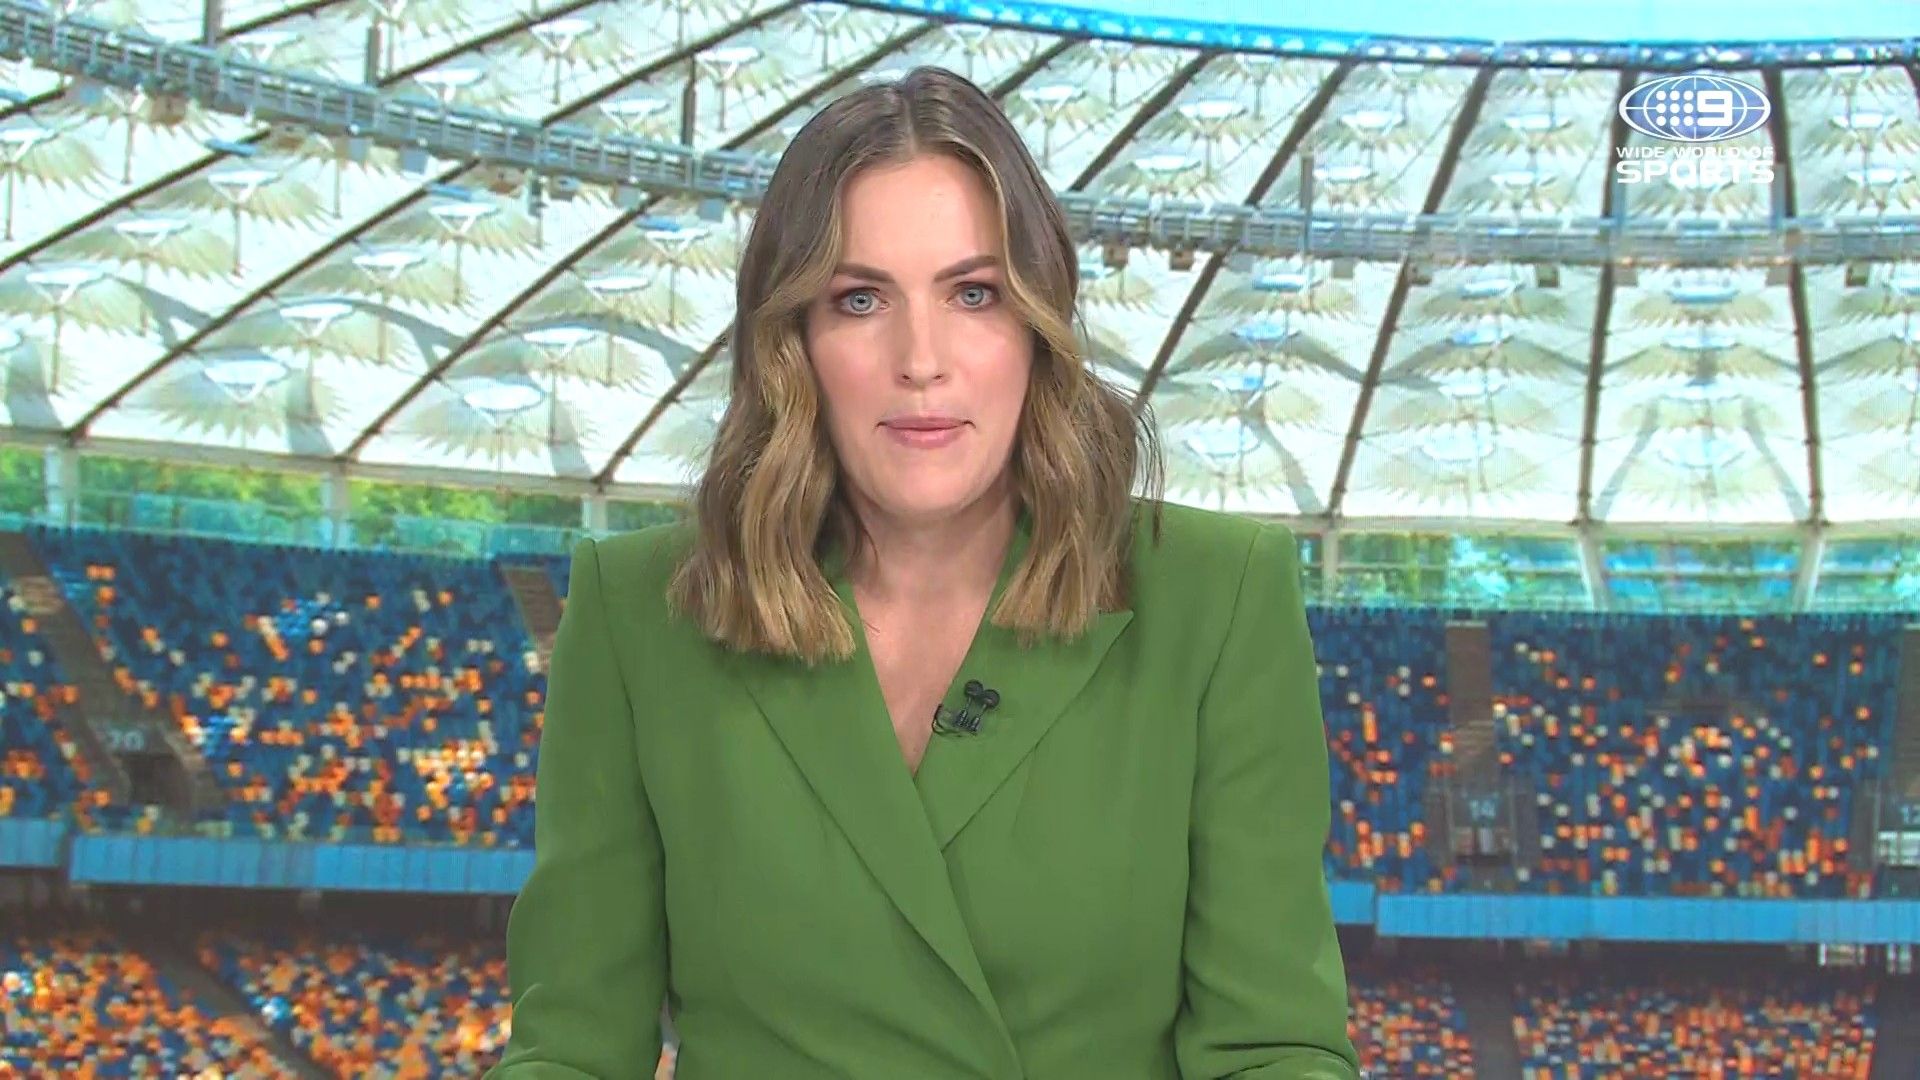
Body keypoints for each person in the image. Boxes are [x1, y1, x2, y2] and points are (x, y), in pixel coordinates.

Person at [488, 65, 1359, 1080]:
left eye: (973, 294)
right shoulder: (638, 612)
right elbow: (573, 1049)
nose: (921, 358)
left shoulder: (1218, 596)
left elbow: (1273, 1049)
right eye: (859, 299)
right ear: (793, 339)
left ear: (1038, 323)